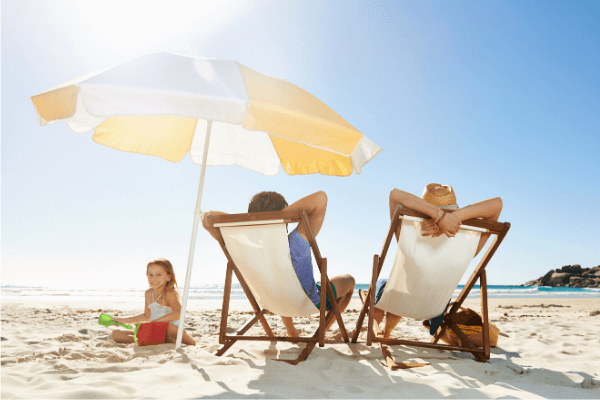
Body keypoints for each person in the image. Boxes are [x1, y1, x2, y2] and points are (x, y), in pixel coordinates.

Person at [202, 190, 355, 337]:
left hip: (272, 302)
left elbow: (205, 218)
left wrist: (249, 223)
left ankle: (291, 332)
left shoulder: (241, 247)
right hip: (309, 302)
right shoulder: (297, 242)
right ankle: (320, 332)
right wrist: (280, 218)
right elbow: (320, 198)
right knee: (349, 280)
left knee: (278, 282)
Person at [368, 183, 503, 338]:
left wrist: (438, 216)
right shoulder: (469, 245)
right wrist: (453, 217)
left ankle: (382, 332)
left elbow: (394, 195)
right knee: (403, 288)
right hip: (435, 308)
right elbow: (497, 204)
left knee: (385, 285)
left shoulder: (407, 236)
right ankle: (388, 331)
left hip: (401, 301)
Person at [111, 258, 196, 346]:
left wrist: (156, 321)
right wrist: (123, 320)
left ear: (168, 277)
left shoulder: (169, 293)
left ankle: (190, 342)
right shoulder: (148, 294)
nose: (153, 278)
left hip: (169, 330)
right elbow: (146, 316)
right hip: (154, 329)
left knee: (169, 328)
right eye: (150, 275)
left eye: (158, 274)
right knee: (115, 334)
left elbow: (179, 313)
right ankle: (156, 340)